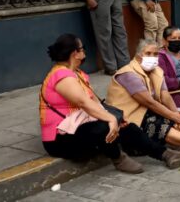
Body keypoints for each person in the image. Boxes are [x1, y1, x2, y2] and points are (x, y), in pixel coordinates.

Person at [40, 34, 149, 173]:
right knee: (104, 127)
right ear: (75, 53)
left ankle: (163, 153)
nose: (84, 51)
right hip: (58, 139)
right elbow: (83, 102)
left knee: (127, 126)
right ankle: (119, 158)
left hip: (78, 125)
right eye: (82, 48)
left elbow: (95, 102)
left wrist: (115, 118)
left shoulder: (76, 73)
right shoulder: (61, 76)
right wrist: (110, 118)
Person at [106, 39, 180, 156]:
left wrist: (176, 115)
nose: (152, 57)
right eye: (148, 53)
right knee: (159, 121)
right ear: (138, 56)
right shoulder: (128, 74)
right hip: (128, 118)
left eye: (155, 54)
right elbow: (149, 102)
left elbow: (165, 95)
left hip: (147, 111)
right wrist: (173, 116)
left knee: (174, 117)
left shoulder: (157, 71)